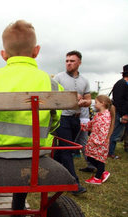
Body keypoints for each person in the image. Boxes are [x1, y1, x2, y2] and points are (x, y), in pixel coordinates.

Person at [0, 20, 63, 216]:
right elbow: (55, 122)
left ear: (4, 54)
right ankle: (18, 207)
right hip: (35, 153)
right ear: (36, 50)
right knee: (26, 162)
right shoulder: (51, 84)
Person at [53, 50, 91, 195]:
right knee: (67, 149)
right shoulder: (58, 78)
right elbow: (52, 97)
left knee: (62, 150)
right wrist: (71, 99)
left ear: (79, 63)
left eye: (72, 61)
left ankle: (49, 171)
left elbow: (88, 101)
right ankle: (73, 183)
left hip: (76, 118)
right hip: (63, 117)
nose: (68, 63)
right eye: (67, 60)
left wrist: (83, 102)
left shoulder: (84, 81)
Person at [81, 95, 115, 184]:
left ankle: (97, 178)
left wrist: (96, 142)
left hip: (100, 143)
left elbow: (103, 133)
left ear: (102, 104)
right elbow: (91, 124)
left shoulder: (105, 117)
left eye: (96, 103)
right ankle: (103, 172)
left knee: (100, 159)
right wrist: (82, 126)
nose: (94, 104)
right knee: (90, 156)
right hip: (95, 141)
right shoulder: (98, 115)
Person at [108, 64, 128, 159]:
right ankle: (110, 152)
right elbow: (119, 101)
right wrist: (124, 114)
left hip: (122, 112)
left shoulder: (124, 83)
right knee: (115, 132)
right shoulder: (121, 84)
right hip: (119, 112)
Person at [77, 107, 97, 172]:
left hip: (78, 119)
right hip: (85, 119)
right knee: (83, 143)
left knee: (68, 144)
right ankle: (92, 164)